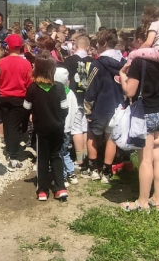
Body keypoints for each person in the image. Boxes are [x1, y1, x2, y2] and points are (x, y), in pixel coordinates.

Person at [119, 46, 159, 211]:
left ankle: (143, 201)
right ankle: (157, 199)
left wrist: (123, 75)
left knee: (146, 160)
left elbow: (130, 92)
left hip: (145, 114)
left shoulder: (139, 62)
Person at [83, 28, 126, 183]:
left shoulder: (97, 63)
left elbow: (91, 87)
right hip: (118, 106)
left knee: (92, 135)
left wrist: (88, 110)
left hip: (101, 107)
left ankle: (93, 169)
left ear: (104, 43)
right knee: (111, 138)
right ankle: (107, 172)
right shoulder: (123, 62)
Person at [23, 57, 69, 202]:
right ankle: (60, 188)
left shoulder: (33, 88)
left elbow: (26, 108)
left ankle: (42, 191)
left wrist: (26, 122)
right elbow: (65, 109)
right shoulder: (60, 87)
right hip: (57, 127)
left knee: (42, 158)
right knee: (56, 156)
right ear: (52, 70)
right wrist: (59, 120)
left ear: (36, 69)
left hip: (41, 129)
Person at [0, 33, 32, 169]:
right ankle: (14, 156)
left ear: (8, 46)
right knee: (16, 127)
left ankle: (11, 150)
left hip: (4, 97)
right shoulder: (26, 64)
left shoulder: (1, 62)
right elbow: (29, 83)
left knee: (7, 124)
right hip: (19, 98)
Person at [63, 35, 92, 172]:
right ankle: (86, 156)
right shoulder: (93, 61)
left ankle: (79, 159)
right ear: (88, 47)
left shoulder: (69, 60)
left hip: (74, 96)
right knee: (85, 127)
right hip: (89, 97)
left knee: (76, 129)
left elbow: (66, 81)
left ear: (75, 46)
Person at [54, 66, 80, 184]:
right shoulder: (71, 93)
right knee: (65, 151)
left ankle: (63, 176)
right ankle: (71, 173)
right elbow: (75, 109)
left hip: (58, 126)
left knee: (59, 152)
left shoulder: (55, 92)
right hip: (67, 127)